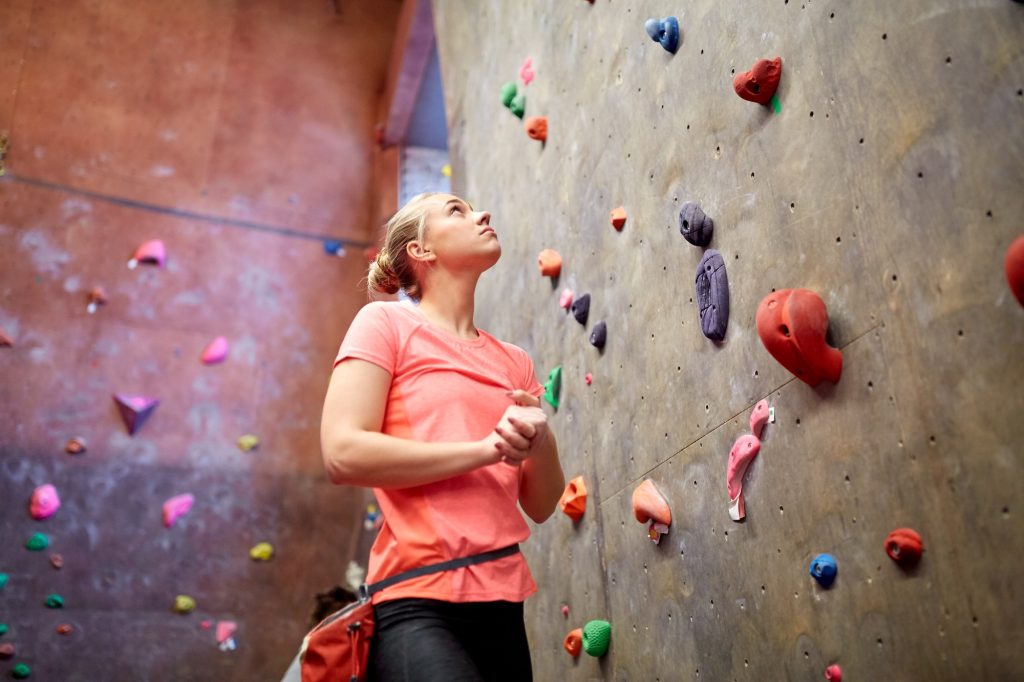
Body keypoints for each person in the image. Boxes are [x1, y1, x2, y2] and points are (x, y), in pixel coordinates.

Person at [320, 192, 564, 681]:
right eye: (458, 210)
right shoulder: (384, 322)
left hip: (502, 603)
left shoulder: (514, 361)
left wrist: (541, 440)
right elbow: (342, 453)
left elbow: (541, 504)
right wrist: (485, 450)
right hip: (416, 600)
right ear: (421, 251)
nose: (483, 214)